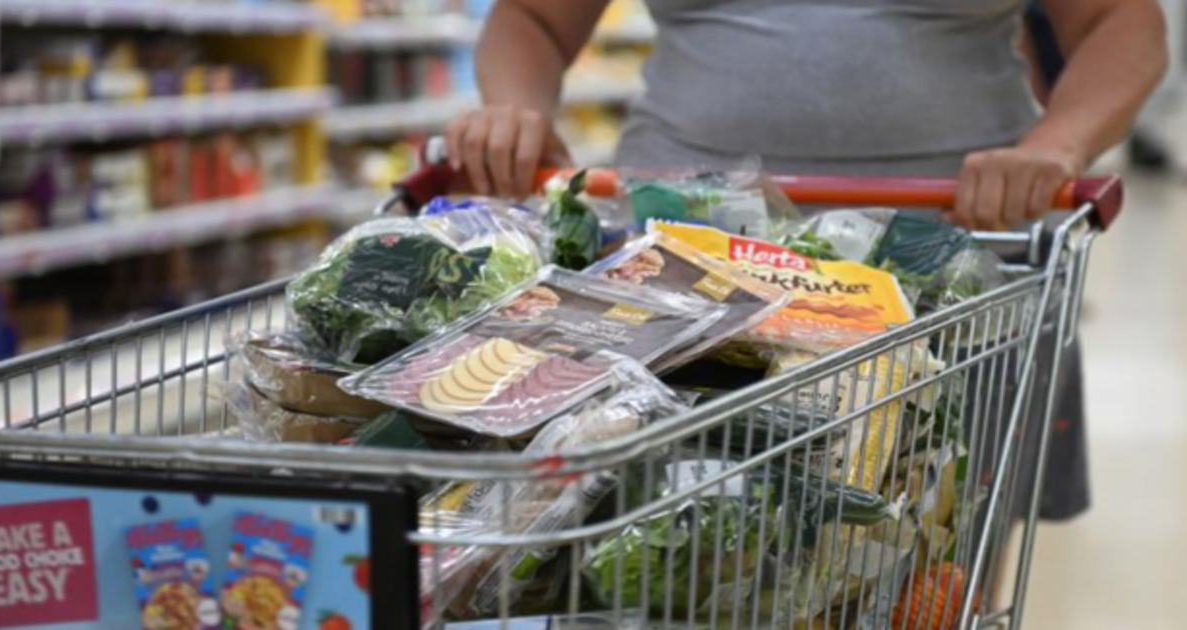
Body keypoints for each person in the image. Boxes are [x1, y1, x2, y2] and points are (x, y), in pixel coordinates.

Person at [443, 0, 1168, 521]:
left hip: (961, 270)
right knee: (671, 539)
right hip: (690, 280)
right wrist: (517, 108)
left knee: (939, 561)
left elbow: (1122, 22)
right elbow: (533, 18)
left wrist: (1055, 147)